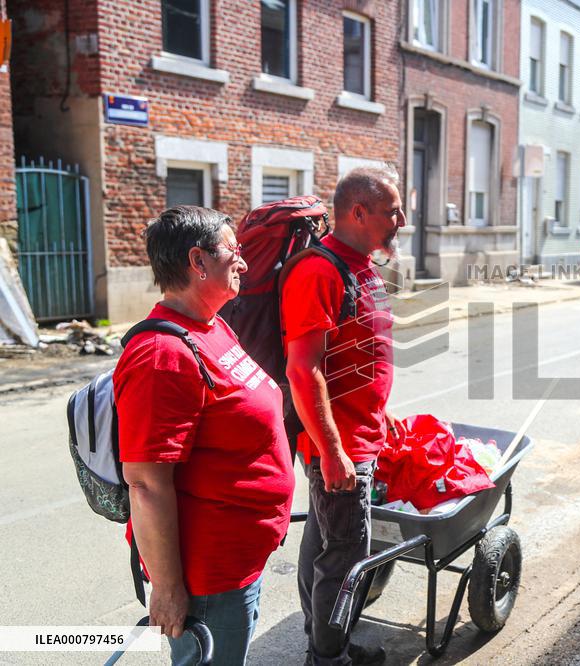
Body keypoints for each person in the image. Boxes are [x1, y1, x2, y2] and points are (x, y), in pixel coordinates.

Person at [115, 206, 295, 665]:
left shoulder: (213, 327)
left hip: (237, 564)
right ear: (198, 263)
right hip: (208, 581)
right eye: (235, 251)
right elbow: (146, 483)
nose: (245, 262)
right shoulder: (162, 355)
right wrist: (170, 590)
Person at [283, 166, 406, 666]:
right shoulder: (319, 272)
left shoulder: (363, 267)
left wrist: (381, 410)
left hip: (359, 436)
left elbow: (361, 355)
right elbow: (302, 368)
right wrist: (333, 452)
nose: (401, 218)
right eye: (392, 210)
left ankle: (326, 642)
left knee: (325, 548)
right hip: (340, 447)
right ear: (359, 212)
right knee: (344, 560)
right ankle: (327, 658)